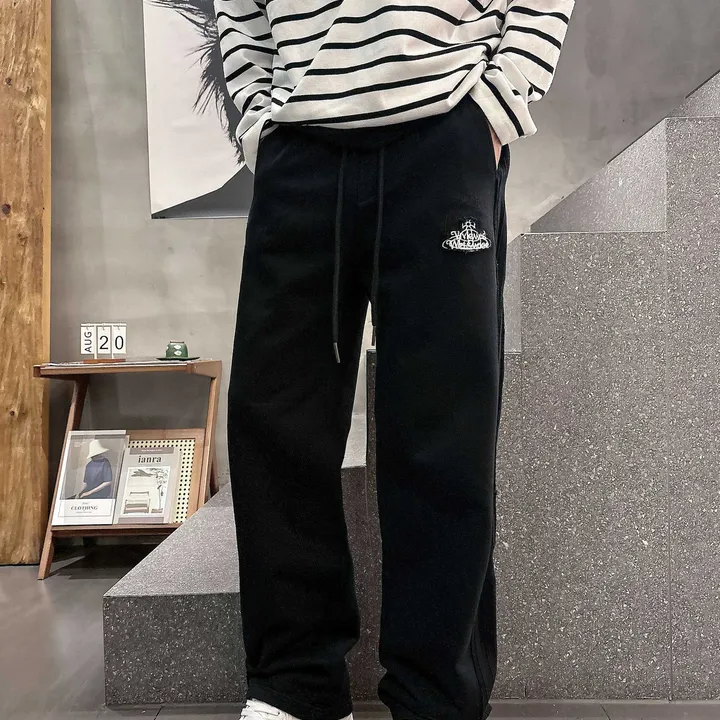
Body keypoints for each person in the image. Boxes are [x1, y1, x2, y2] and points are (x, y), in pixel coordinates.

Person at [219, 3, 575, 720]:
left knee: (443, 434)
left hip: (445, 125)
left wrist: (496, 104)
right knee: (276, 425)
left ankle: (436, 699)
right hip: (298, 140)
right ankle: (295, 687)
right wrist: (259, 115)